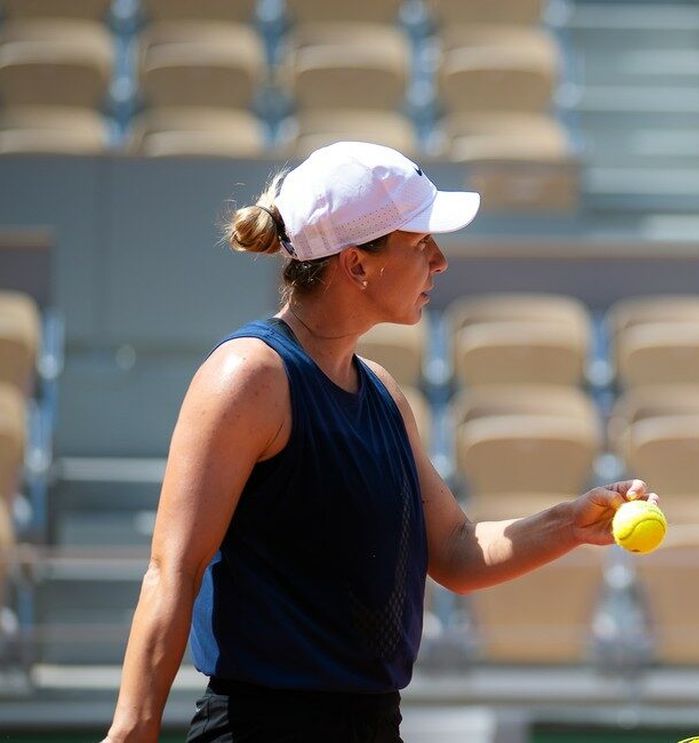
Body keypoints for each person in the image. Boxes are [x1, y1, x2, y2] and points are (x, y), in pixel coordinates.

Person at [103, 141, 654, 742]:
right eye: (421, 244)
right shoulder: (248, 377)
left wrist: (570, 524)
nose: (440, 262)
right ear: (356, 264)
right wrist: (132, 729)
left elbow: (457, 551)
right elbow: (171, 570)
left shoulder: (385, 394)